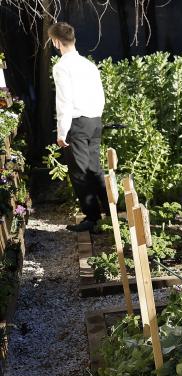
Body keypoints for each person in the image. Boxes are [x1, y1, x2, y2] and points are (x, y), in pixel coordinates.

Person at [49, 22, 107, 233]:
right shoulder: (88, 64)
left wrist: (62, 131)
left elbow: (64, 101)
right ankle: (112, 212)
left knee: (80, 172)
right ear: (72, 39)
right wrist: (96, 116)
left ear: (56, 41)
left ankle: (92, 219)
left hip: (77, 123)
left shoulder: (61, 67)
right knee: (95, 169)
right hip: (94, 120)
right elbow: (100, 95)